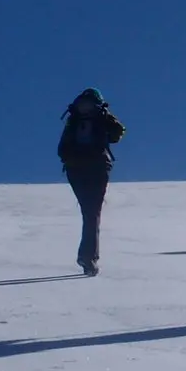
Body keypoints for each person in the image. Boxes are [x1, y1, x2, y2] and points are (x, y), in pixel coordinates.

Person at [57, 88, 124, 276]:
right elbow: (117, 134)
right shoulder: (82, 120)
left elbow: (116, 133)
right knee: (92, 213)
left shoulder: (75, 120)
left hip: (78, 168)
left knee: (89, 212)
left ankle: (87, 257)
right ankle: (88, 257)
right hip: (95, 167)